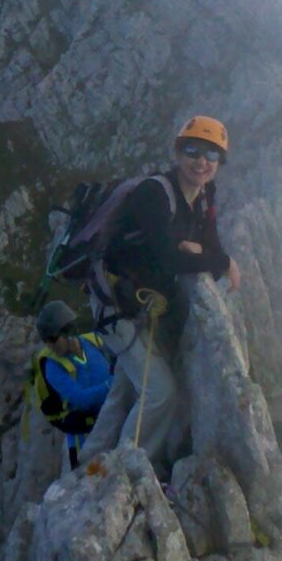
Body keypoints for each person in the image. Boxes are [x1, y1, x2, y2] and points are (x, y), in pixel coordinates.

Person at [88, 114, 240, 465]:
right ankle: (124, 473)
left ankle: (89, 463)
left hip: (140, 302)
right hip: (114, 302)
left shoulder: (203, 197)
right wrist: (221, 262)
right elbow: (167, 260)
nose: (201, 161)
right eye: (193, 149)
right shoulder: (153, 193)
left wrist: (208, 253)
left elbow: (208, 245)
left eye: (212, 154)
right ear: (177, 152)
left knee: (124, 388)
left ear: (219, 163)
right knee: (159, 392)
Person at [30, 300, 113, 470]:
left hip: (112, 421)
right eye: (46, 340)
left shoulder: (94, 342)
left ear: (68, 330)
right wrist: (112, 385)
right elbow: (80, 399)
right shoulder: (52, 366)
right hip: (84, 438)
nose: (49, 345)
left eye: (53, 338)